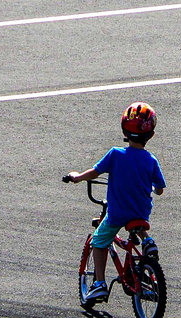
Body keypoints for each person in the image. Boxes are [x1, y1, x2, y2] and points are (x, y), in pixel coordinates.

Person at [62, 103, 165, 305]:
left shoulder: (116, 154)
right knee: (137, 221)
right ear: (151, 135)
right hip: (141, 212)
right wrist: (151, 188)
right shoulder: (151, 160)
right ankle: (147, 241)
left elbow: (94, 172)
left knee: (99, 242)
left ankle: (99, 284)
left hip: (118, 213)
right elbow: (159, 189)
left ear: (124, 131)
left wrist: (77, 178)